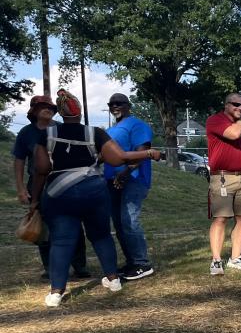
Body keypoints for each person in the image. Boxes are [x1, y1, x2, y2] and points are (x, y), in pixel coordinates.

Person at [31, 89, 161, 307]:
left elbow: (41, 169)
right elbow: (118, 158)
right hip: (93, 192)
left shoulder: (47, 135)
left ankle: (56, 292)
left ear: (60, 114)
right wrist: (148, 154)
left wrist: (35, 199)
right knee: (101, 236)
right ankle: (113, 279)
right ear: (80, 112)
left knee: (62, 241)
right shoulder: (95, 133)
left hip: (60, 194)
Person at [11, 95, 89, 280]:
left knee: (74, 223)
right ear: (34, 111)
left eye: (49, 106)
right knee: (43, 227)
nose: (47, 109)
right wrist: (21, 188)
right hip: (38, 184)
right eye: (42, 106)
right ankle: (49, 266)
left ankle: (80, 265)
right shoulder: (26, 133)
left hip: (65, 182)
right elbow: (19, 161)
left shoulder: (62, 129)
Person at [206, 93, 241, 275]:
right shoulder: (215, 121)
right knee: (221, 218)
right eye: (235, 104)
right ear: (226, 105)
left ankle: (235, 258)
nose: (240, 108)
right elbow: (234, 133)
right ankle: (216, 261)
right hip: (222, 177)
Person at [104, 93, 156, 281]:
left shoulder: (137, 125)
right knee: (118, 223)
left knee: (129, 220)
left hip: (133, 179)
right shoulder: (111, 130)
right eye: (112, 104)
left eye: (119, 103)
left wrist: (124, 173)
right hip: (112, 181)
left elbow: (142, 154)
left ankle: (142, 263)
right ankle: (132, 262)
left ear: (128, 106)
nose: (115, 106)